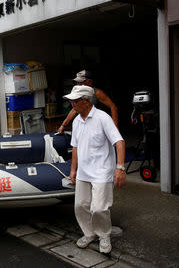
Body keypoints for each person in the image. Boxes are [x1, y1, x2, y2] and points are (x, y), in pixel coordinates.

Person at [64, 85, 126, 254]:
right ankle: (89, 233)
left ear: (86, 101)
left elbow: (119, 142)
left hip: (102, 171)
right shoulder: (77, 121)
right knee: (80, 205)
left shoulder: (102, 118)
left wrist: (120, 168)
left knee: (99, 208)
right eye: (71, 101)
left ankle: (104, 235)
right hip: (84, 171)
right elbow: (75, 146)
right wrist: (73, 170)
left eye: (75, 101)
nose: (72, 104)